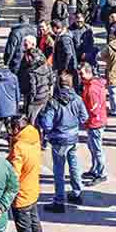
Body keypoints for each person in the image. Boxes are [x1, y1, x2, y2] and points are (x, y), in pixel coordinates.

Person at [37, 72, 89, 213]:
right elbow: (84, 117)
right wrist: (73, 125)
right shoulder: (77, 99)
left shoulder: (53, 102)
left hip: (59, 138)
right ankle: (77, 192)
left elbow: (47, 124)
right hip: (73, 137)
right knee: (74, 165)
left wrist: (49, 129)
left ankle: (59, 200)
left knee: (59, 170)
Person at [6, 114, 46, 232]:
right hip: (33, 187)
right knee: (35, 222)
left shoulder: (19, 147)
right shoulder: (34, 135)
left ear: (17, 128)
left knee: (25, 231)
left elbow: (14, 174)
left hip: (21, 193)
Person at [79, 63, 108, 185]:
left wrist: (83, 115)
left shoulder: (91, 89)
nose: (80, 76)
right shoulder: (92, 85)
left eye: (82, 74)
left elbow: (93, 109)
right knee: (92, 147)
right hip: (94, 122)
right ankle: (95, 169)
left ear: (88, 73)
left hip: (95, 123)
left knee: (97, 149)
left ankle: (102, 173)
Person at [17, 36, 54, 126]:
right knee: (42, 119)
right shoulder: (42, 57)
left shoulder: (31, 70)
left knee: (31, 120)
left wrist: (30, 100)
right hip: (44, 94)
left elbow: (32, 88)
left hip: (34, 98)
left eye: (25, 45)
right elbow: (50, 76)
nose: (23, 47)